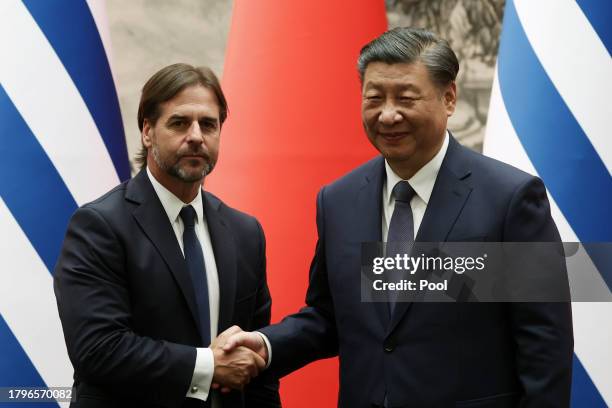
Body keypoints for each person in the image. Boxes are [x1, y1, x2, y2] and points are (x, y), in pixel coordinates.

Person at [223, 28, 574, 407]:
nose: (388, 115)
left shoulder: (510, 199)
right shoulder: (339, 201)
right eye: (374, 99)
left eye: (406, 98)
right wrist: (265, 344)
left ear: (449, 98)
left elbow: (545, 343)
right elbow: (328, 317)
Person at [54, 63, 280, 408]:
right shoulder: (99, 226)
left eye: (208, 124)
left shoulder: (245, 232)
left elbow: (255, 361)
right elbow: (98, 349)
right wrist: (208, 365)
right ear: (147, 131)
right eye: (179, 123)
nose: (195, 136)